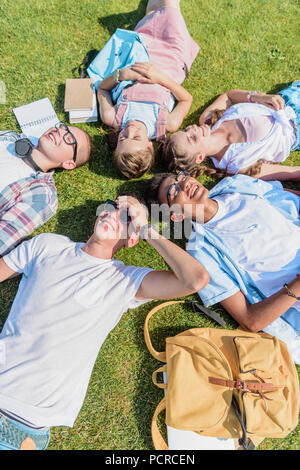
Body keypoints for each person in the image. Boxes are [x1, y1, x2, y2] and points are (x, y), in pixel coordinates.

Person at [0, 193, 209, 450]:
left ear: (132, 239)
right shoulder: (47, 246)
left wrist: (145, 228)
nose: (111, 214)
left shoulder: (123, 281)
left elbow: (195, 280)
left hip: (25, 431)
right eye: (110, 208)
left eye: (125, 217)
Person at [145, 171, 300, 364]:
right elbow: (250, 319)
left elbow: (290, 197)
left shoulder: (238, 185)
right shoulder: (201, 253)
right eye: (174, 191)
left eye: (182, 177)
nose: (184, 184)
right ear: (176, 216)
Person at [96, 0, 200, 179]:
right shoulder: (166, 123)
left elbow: (102, 90)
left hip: (141, 49)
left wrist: (120, 75)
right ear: (150, 145)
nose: (130, 130)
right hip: (171, 57)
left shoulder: (113, 117)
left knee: (152, 13)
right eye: (136, 137)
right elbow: (186, 99)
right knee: (170, 8)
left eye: (122, 138)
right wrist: (161, 78)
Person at [160, 81, 300, 181]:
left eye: (185, 130)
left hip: (289, 97)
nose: (192, 128)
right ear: (200, 157)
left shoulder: (208, 119)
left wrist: (259, 97)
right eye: (191, 138)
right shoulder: (237, 165)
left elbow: (229, 96)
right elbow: (291, 172)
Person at [0, 122, 92, 256]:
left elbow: (4, 238)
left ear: (68, 163)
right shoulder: (10, 138)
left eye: (70, 139)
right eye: (62, 127)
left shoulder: (41, 196)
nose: (59, 131)